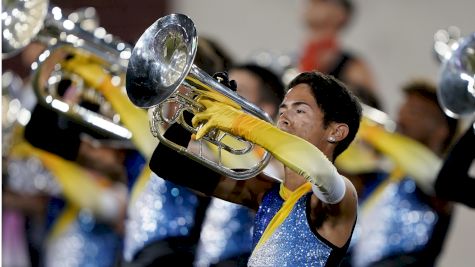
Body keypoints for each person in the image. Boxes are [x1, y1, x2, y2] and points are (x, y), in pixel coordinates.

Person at [149, 71, 362, 266]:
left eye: (299, 110)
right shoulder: (264, 193)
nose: (285, 119)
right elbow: (167, 164)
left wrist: (240, 122)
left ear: (337, 132)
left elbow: (318, 168)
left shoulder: (342, 196)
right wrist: (195, 109)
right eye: (283, 109)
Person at [122, 36, 234, 266]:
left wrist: (189, 114)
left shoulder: (203, 145)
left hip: (172, 256)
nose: (162, 90)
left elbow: (177, 164)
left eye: (172, 82)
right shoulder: (152, 139)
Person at [347, 79, 459, 267]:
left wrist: (376, 136)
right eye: (402, 108)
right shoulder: (384, 178)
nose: (401, 116)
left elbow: (428, 171)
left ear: (442, 131)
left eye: (414, 111)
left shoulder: (440, 179)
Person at [193, 63, 285, 266]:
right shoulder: (222, 151)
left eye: (237, 91)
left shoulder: (272, 165)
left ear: (265, 110)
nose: (224, 97)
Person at [298, 0, 379, 108]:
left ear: (340, 15)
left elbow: (368, 116)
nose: (311, 3)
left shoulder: (353, 69)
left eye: (322, 1)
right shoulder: (296, 60)